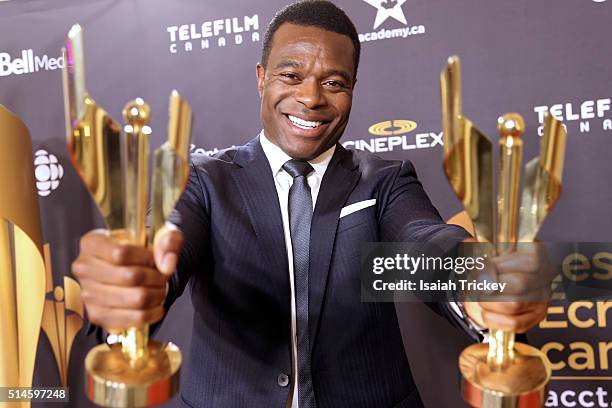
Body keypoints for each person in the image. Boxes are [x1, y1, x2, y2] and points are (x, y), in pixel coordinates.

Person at [73, 1, 550, 407]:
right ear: (262, 78)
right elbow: (166, 245)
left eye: (334, 83)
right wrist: (132, 279)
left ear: (352, 90)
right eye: (291, 74)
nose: (310, 97)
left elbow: (425, 243)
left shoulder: (383, 180)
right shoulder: (205, 180)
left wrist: (477, 278)